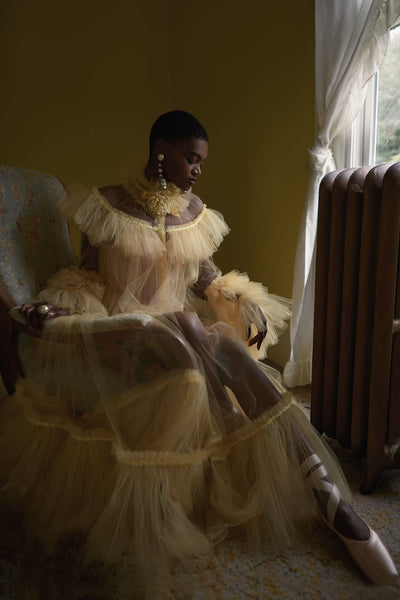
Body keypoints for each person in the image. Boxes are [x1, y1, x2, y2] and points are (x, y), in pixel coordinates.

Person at [0, 110, 397, 597]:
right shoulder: (105, 205)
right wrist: (76, 316)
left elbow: (205, 277)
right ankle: (245, 430)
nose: (197, 169)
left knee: (221, 344)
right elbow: (90, 276)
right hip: (129, 335)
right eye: (191, 157)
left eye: (201, 161)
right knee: (193, 327)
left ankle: (331, 500)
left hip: (182, 339)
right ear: (160, 149)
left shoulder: (194, 212)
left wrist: (244, 302)